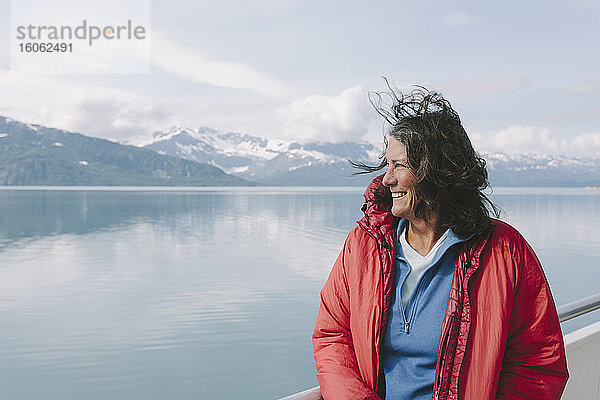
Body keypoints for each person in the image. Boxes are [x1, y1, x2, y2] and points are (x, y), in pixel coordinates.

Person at [312, 86, 568, 400]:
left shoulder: (505, 251)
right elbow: (332, 336)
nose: (385, 179)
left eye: (399, 166)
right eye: (386, 165)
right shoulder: (363, 245)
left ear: (438, 173)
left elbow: (538, 362)